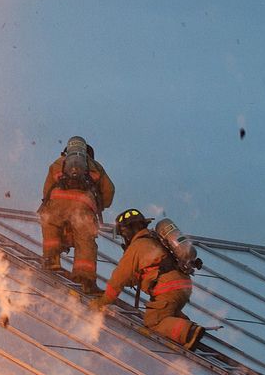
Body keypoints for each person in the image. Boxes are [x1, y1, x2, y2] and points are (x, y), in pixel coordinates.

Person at [89, 208, 205, 349]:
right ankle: (181, 323)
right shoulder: (155, 240)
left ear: (128, 230)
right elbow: (138, 276)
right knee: (165, 310)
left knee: (153, 321)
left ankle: (189, 332)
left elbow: (118, 278)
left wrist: (103, 301)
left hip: (168, 288)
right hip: (182, 286)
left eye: (123, 233)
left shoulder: (137, 246)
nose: (124, 238)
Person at [38, 135, 115, 295]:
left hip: (57, 202)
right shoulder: (96, 166)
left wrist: (50, 205)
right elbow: (109, 191)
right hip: (83, 205)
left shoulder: (58, 163)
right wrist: (99, 205)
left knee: (51, 227)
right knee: (85, 241)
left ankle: (52, 260)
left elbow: (47, 189)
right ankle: (84, 279)